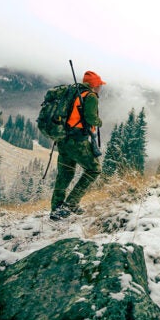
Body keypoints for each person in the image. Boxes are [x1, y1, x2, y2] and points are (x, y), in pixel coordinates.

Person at [50, 70, 105, 220]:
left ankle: (56, 209)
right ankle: (71, 204)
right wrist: (99, 122)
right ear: (94, 85)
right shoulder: (91, 96)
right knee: (94, 169)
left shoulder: (72, 91)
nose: (100, 87)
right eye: (99, 84)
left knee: (65, 173)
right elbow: (91, 118)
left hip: (62, 139)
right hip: (77, 141)